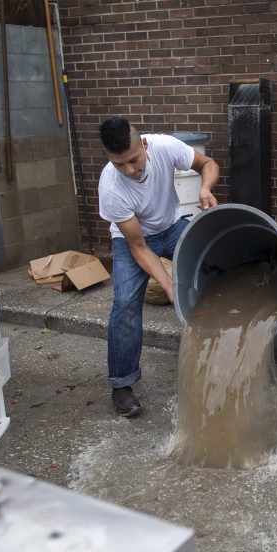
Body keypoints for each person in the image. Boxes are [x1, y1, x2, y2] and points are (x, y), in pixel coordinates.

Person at [98, 116, 220, 416]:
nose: (129, 170)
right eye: (119, 165)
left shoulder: (165, 147)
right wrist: (170, 287)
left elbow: (208, 164)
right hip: (134, 240)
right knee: (125, 302)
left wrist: (206, 188)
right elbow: (139, 247)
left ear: (143, 144)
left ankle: (222, 355)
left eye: (133, 160)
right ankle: (122, 384)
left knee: (216, 271)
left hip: (172, 225)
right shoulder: (111, 188)